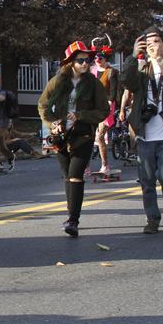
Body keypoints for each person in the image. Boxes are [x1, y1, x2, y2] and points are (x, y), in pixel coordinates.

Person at [38, 41, 109, 237]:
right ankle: (71, 215)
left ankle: (73, 220)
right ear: (70, 62)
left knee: (76, 174)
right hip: (61, 137)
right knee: (67, 176)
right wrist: (53, 123)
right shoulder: (58, 81)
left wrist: (81, 115)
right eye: (80, 60)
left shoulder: (94, 83)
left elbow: (103, 110)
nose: (85, 63)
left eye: (88, 60)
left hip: (83, 135)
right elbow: (42, 105)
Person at [121, 27, 163, 234]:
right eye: (147, 42)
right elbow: (126, 81)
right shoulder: (141, 69)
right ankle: (152, 218)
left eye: (156, 41)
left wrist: (160, 59)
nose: (152, 45)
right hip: (146, 132)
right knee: (147, 179)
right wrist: (133, 56)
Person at [89, 43, 120, 176]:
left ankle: (105, 165)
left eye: (100, 58)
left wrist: (108, 104)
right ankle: (86, 166)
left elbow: (113, 92)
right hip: (91, 107)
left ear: (105, 58)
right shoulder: (91, 70)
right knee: (88, 136)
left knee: (99, 136)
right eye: (95, 58)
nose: (97, 60)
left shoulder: (111, 72)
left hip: (105, 107)